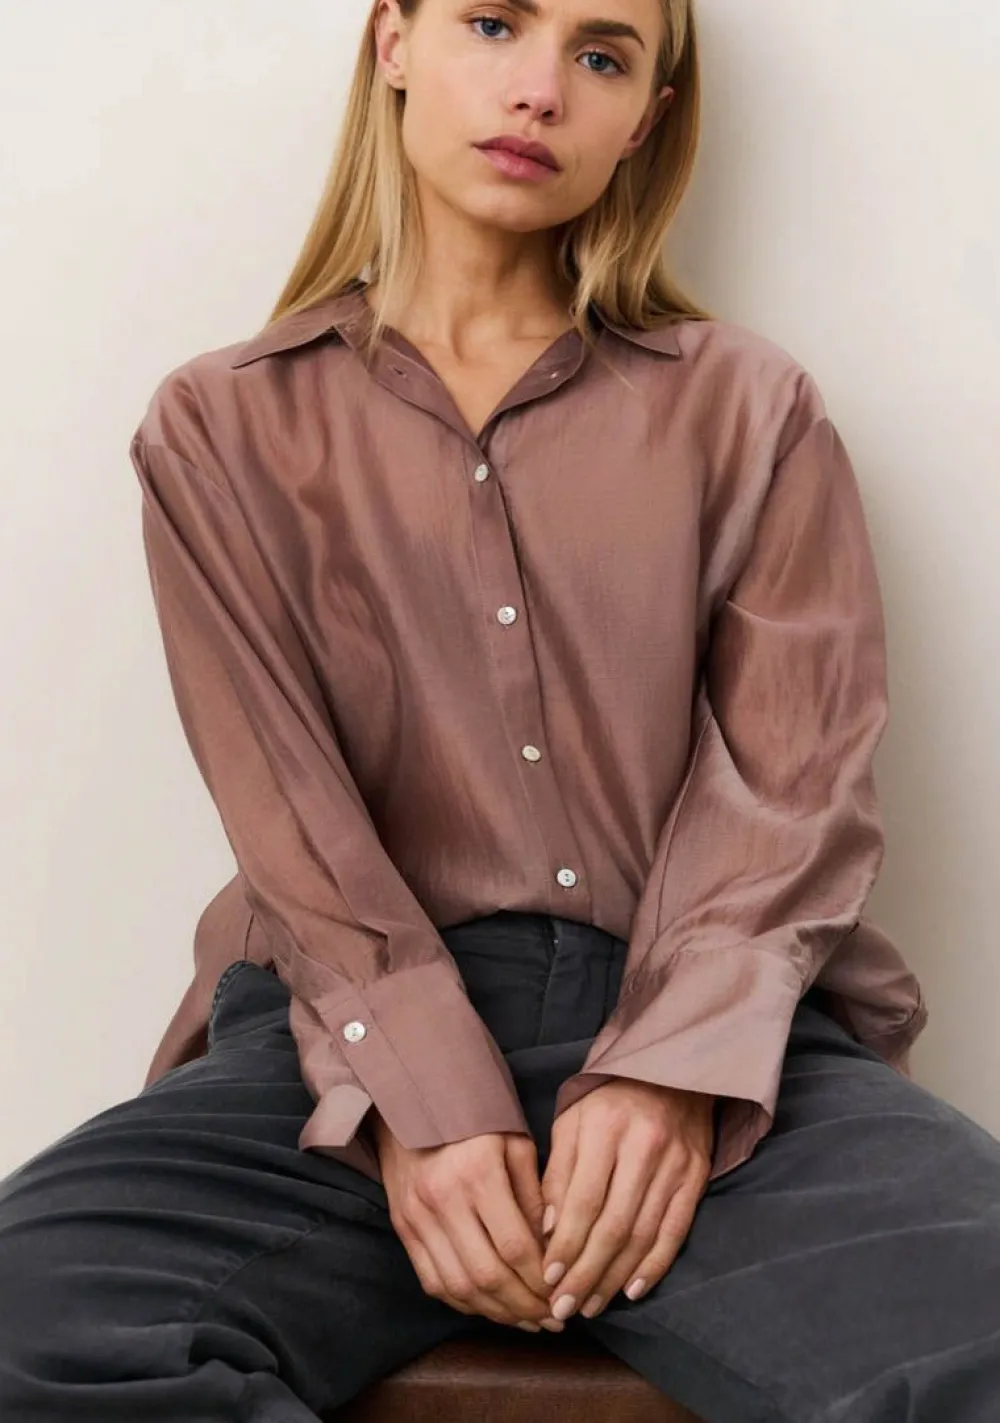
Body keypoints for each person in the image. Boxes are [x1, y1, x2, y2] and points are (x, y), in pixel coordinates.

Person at [1, 0, 998, 1418]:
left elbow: (794, 788)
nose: (540, 90)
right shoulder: (222, 428)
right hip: (339, 1042)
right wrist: (426, 1094)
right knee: (34, 1325)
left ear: (644, 121)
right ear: (394, 43)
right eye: (492, 22)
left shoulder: (747, 408)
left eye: (601, 56)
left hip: (705, 1024)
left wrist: (669, 1075)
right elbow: (290, 817)